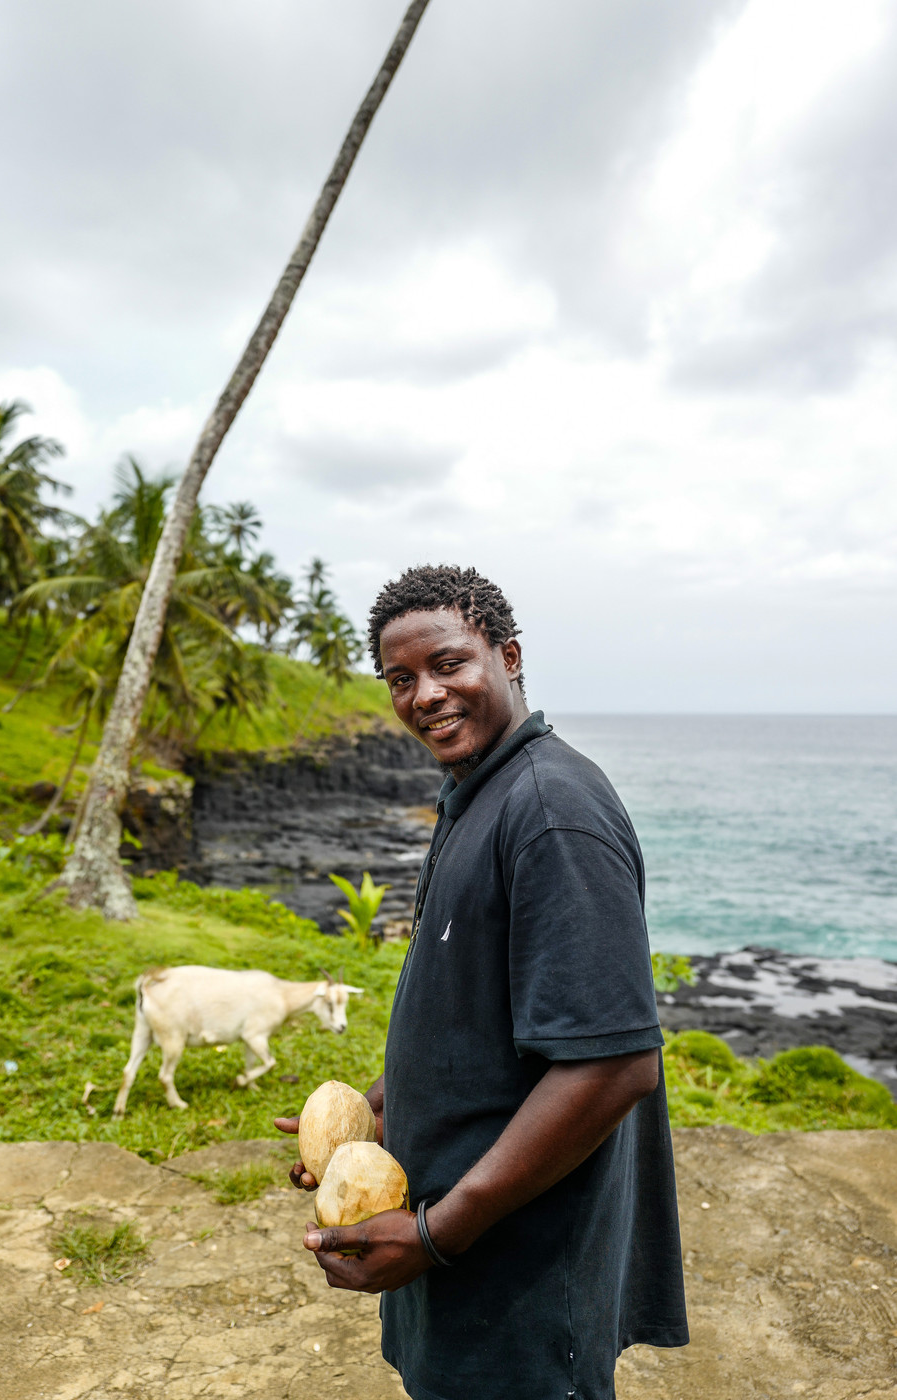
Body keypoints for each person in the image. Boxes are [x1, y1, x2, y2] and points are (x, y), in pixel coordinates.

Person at [275, 564, 688, 1400]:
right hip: (465, 1236)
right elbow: (472, 1001)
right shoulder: (476, 793)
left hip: (523, 1266)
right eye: (400, 679)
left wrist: (433, 1237)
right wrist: (387, 1107)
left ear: (508, 655)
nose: (424, 694)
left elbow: (612, 1066)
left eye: (449, 664)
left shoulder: (549, 812)